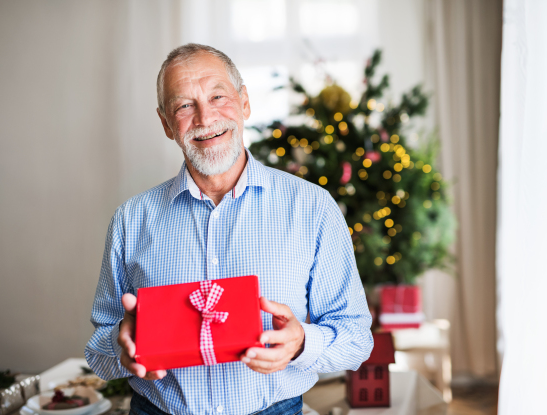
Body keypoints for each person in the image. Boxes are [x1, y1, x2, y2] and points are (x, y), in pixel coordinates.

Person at [85, 43, 373, 415]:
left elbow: (356, 340)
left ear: (244, 102)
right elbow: (98, 352)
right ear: (166, 124)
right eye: (184, 105)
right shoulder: (130, 220)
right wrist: (119, 345)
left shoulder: (313, 208)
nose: (205, 118)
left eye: (217, 96)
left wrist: (302, 343)